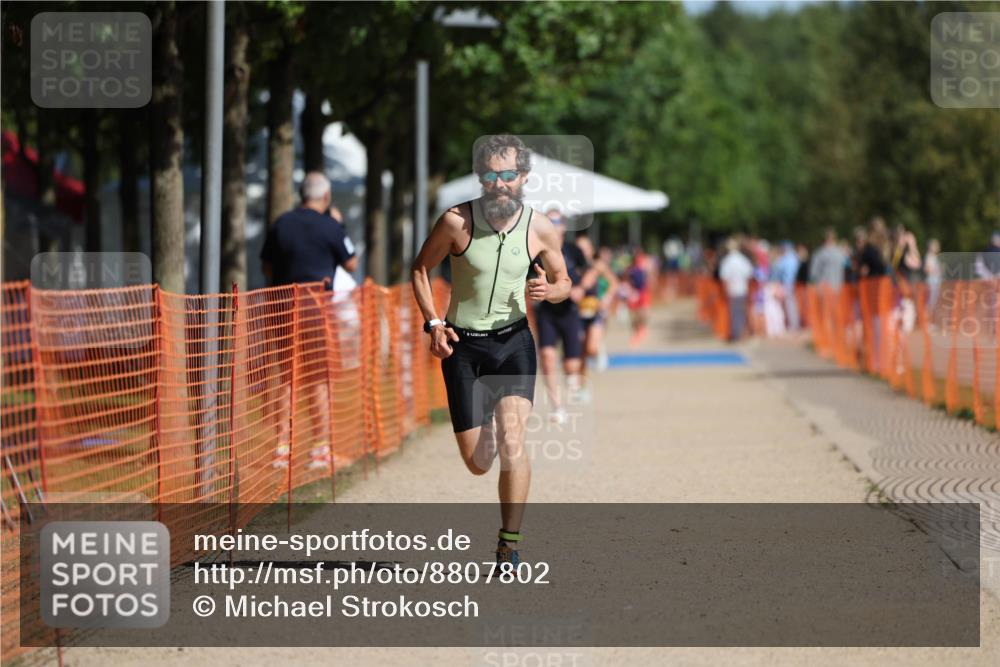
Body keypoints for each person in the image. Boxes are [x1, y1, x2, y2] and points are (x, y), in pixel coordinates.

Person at [410, 134, 571, 567]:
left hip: (513, 343)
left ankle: (508, 545)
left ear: (523, 177)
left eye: (508, 174)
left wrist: (550, 291)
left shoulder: (539, 227)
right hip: (463, 348)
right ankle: (490, 429)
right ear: (480, 177)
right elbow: (420, 269)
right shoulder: (455, 222)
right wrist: (433, 323)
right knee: (479, 462)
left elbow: (564, 281)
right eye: (490, 175)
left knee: (514, 441)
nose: (499, 183)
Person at [260, 172, 358, 471]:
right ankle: (320, 448)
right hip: (317, 308)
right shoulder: (331, 226)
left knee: (286, 377)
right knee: (318, 376)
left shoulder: (281, 223)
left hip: (282, 307)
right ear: (326, 197)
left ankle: (281, 449)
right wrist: (340, 225)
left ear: (301, 194)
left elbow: (266, 266)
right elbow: (351, 262)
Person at [533, 207, 589, 423]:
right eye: (549, 222)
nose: (553, 227)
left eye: (556, 222)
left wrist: (581, 288)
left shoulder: (574, 250)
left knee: (571, 366)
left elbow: (590, 271)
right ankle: (557, 407)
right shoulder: (537, 251)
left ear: (564, 227)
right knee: (547, 358)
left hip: (570, 312)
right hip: (547, 312)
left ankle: (575, 384)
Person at [575, 237, 618, 392]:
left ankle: (599, 348)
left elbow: (614, 283)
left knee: (591, 348)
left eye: (585, 248)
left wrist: (606, 298)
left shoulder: (598, 265)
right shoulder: (572, 266)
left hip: (595, 311)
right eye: (579, 248)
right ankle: (582, 386)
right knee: (581, 352)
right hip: (577, 312)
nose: (582, 251)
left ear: (591, 250)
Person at [718, 237, 754, 341]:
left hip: (732, 290)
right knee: (742, 312)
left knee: (734, 314)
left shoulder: (727, 261)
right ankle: (742, 333)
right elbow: (749, 276)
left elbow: (725, 278)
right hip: (743, 289)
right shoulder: (743, 260)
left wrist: (725, 291)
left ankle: (737, 334)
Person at [772, 241, 801, 331]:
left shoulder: (785, 259)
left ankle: (793, 325)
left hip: (787, 283)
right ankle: (795, 323)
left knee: (789, 304)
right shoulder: (795, 258)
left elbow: (777, 270)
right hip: (794, 283)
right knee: (792, 304)